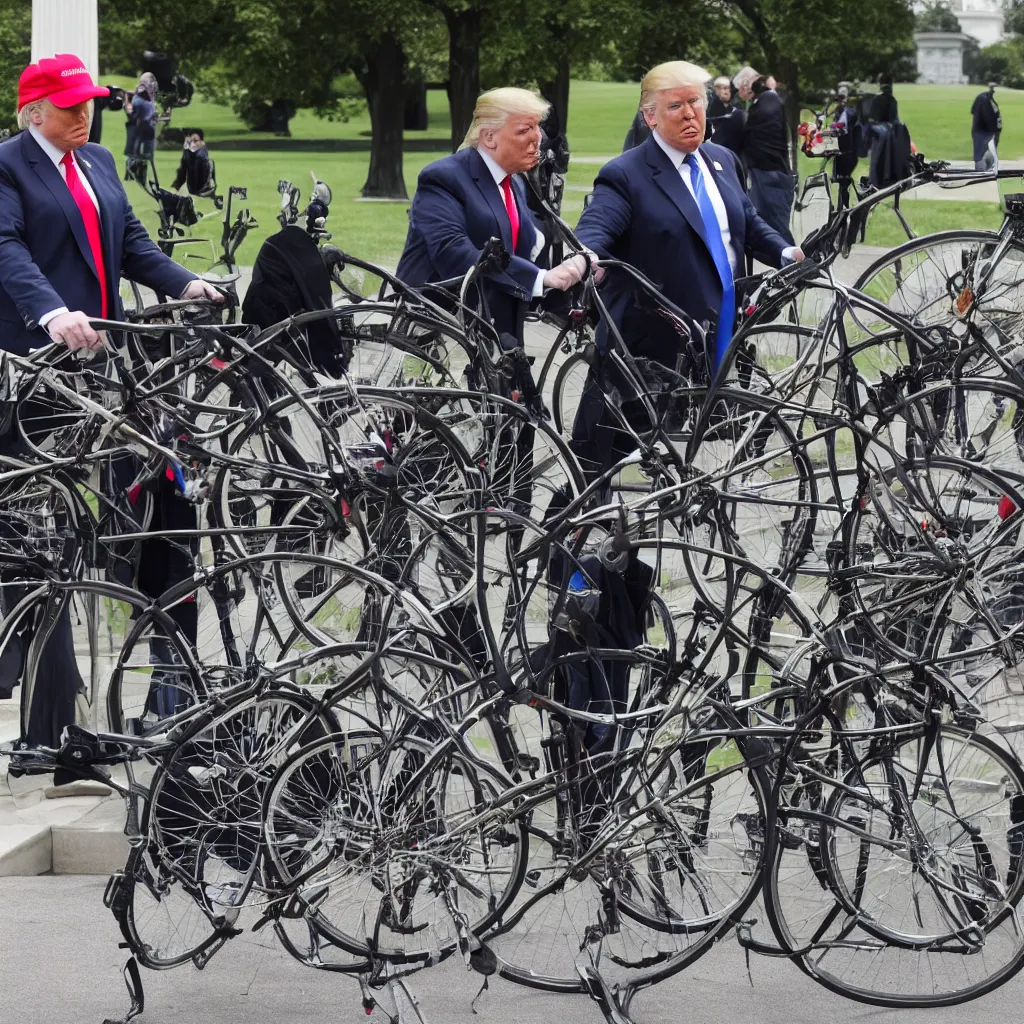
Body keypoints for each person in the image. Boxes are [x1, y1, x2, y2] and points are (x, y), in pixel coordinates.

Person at [0, 54, 221, 763]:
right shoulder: (8, 167)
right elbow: (5, 249)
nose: (83, 113)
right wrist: (52, 313)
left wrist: (188, 285)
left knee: (155, 507)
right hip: (36, 376)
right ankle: (48, 728)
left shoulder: (95, 162)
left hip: (106, 370)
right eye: (68, 105)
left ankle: (157, 694)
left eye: (89, 102)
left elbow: (128, 244)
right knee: (47, 543)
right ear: (32, 110)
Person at [573, 60, 802, 479]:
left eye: (695, 102)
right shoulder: (626, 174)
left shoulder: (723, 160)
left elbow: (747, 223)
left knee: (695, 463)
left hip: (717, 335)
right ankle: (568, 537)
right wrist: (584, 256)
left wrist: (788, 254)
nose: (689, 113)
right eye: (675, 105)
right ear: (650, 116)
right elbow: (597, 226)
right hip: (647, 349)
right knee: (598, 461)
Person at [396, 87, 587, 344]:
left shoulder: (514, 181)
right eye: (523, 131)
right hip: (436, 330)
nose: (537, 139)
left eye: (536, 128)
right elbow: (453, 251)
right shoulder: (443, 177)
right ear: (489, 137)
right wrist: (539, 278)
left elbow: (520, 248)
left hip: (494, 326)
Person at [733, 65, 795, 245]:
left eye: (740, 90)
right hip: (772, 172)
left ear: (747, 87)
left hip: (770, 175)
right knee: (772, 229)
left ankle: (800, 269)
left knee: (777, 231)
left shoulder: (766, 103)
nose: (739, 94)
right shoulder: (768, 100)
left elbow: (749, 135)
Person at [707, 74, 745, 155]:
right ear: (716, 90)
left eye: (728, 88)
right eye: (723, 88)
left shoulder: (737, 110)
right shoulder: (709, 111)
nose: (726, 91)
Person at [171, 128, 215, 196]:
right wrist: (176, 186)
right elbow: (183, 171)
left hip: (203, 189)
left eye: (195, 141)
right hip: (192, 189)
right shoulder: (188, 154)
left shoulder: (204, 159)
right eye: (190, 141)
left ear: (202, 142)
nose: (192, 144)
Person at [971, 82, 1001, 171]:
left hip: (986, 132)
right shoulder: (984, 99)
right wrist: (995, 130)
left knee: (987, 154)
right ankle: (981, 174)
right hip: (983, 132)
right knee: (980, 156)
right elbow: (990, 118)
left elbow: (973, 111)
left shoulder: (987, 99)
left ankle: (986, 173)